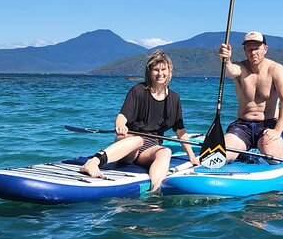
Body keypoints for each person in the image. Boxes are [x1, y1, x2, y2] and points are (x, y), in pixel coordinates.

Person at [80, 49, 200, 191]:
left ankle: (154, 191)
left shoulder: (174, 98)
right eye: (156, 70)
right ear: (149, 72)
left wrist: (192, 157)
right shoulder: (138, 91)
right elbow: (121, 117)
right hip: (129, 143)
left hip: (150, 149)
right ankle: (93, 162)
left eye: (163, 69)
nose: (160, 73)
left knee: (166, 151)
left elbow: (180, 131)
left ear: (169, 71)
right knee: (138, 140)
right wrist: (121, 126)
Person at [218, 31, 283, 163]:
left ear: (265, 49)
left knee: (274, 158)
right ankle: (242, 151)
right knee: (221, 157)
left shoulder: (276, 69)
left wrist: (277, 130)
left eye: (257, 48)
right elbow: (230, 71)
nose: (253, 52)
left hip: (268, 125)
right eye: (249, 49)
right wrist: (226, 60)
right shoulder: (241, 68)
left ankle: (280, 148)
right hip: (242, 126)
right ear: (244, 50)